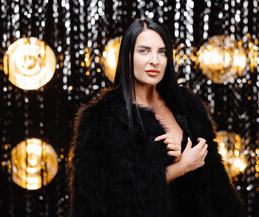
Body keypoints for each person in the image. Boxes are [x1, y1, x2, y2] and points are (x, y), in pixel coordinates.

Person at [69, 18, 245, 217]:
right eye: (144, 51)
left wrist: (184, 154)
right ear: (127, 56)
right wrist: (181, 166)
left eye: (162, 52)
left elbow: (215, 184)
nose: (155, 60)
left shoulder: (187, 106)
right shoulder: (102, 119)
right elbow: (108, 200)